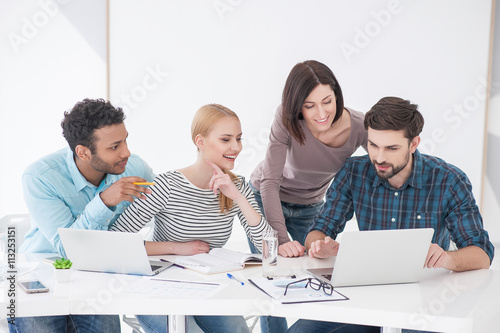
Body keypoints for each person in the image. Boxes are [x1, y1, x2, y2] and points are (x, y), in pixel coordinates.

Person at [288, 96, 495, 333]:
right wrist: (318, 246)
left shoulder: (448, 180)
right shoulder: (353, 172)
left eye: (391, 148)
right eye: (373, 145)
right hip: (365, 297)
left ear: (414, 143)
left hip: (425, 300)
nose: (379, 157)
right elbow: (319, 229)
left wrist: (448, 258)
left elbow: (482, 254)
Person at [110, 103, 273, 333]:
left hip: (208, 287)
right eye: (226, 139)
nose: (236, 147)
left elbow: (268, 247)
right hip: (156, 288)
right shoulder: (167, 186)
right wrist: (177, 248)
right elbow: (115, 241)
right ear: (200, 141)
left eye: (238, 138)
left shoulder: (237, 187)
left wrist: (238, 197)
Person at [9, 99, 155, 333]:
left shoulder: (133, 167)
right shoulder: (40, 177)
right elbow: (68, 251)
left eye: (125, 140)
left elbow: (165, 202)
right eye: (114, 146)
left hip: (96, 274)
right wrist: (104, 202)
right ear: (83, 152)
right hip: (44, 272)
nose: (126, 152)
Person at [248, 60, 367, 332]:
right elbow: (270, 182)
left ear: (337, 95)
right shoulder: (285, 118)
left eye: (327, 101)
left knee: (313, 276)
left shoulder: (359, 126)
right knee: (272, 275)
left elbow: (383, 161)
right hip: (266, 195)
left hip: (310, 205)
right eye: (309, 106)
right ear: (297, 106)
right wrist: (279, 239)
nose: (321, 113)